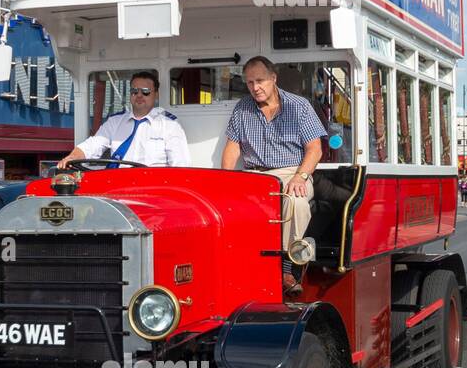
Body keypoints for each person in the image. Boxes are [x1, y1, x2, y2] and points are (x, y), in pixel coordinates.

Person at [221, 56, 327, 295]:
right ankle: (239, 265)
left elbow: (315, 149)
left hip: (292, 172)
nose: (255, 87)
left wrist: (300, 177)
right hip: (254, 176)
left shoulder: (299, 106)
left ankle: (287, 268)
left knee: (297, 203)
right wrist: (225, 181)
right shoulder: (242, 108)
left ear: (273, 79)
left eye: (260, 81)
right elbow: (232, 148)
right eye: (249, 82)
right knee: (230, 207)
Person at [56, 71, 190, 169]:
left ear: (156, 95)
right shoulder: (115, 122)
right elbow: (92, 145)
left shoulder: (170, 125)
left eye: (145, 92)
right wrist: (73, 157)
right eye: (134, 91)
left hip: (153, 188)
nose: (139, 95)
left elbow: (180, 166)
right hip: (117, 187)